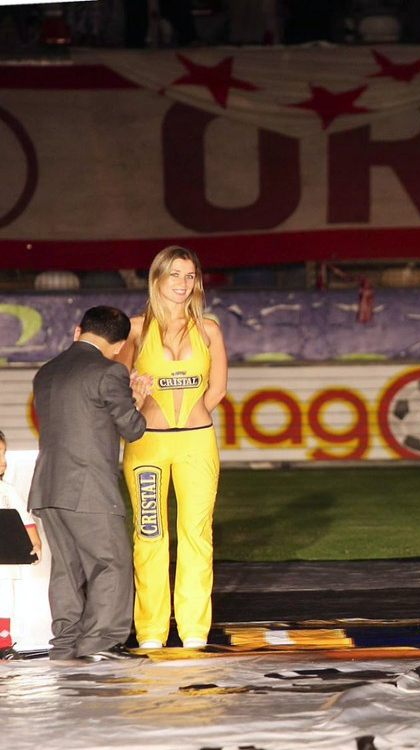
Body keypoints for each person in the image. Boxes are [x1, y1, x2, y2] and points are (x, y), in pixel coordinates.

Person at [118, 246, 227, 650]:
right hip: (147, 443)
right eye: (175, 275)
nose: (183, 284)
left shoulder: (209, 329)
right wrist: (134, 393)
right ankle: (150, 632)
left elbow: (217, 387)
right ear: (157, 278)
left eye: (190, 276)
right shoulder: (135, 329)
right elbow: (116, 386)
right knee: (149, 534)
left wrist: (194, 415)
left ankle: (195, 631)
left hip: (197, 443)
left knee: (197, 534)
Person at [28, 306, 152, 661]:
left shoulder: (46, 372)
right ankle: (101, 643)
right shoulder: (110, 370)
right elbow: (133, 428)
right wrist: (138, 398)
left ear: (78, 330)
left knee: (66, 569)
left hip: (48, 487)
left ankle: (66, 644)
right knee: (110, 563)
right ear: (119, 344)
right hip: (88, 487)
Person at [0, 429, 42, 661]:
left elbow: (26, 521)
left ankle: (3, 644)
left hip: (5, 563)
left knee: (5, 601)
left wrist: (35, 543)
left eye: (4, 454)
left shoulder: (8, 491)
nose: (3, 461)